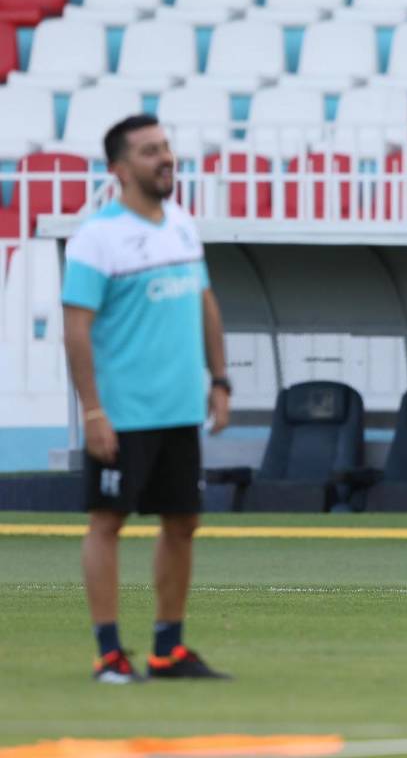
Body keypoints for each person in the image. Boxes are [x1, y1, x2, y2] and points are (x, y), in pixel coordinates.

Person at [62, 115, 233, 683]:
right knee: (107, 522)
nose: (165, 158)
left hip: (181, 408)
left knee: (182, 522)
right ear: (119, 169)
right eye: (149, 151)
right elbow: (76, 328)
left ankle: (168, 649)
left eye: (166, 146)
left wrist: (220, 379)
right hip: (123, 413)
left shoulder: (181, 224)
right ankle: (108, 654)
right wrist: (92, 410)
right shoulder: (97, 237)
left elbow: (205, 302)